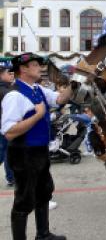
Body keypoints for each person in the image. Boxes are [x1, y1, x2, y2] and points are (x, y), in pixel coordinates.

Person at [1, 52, 72, 240]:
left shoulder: (37, 89)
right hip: (23, 153)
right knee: (23, 200)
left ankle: (43, 235)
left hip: (40, 150)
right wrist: (38, 115)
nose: (40, 68)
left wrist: (77, 81)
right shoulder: (14, 95)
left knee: (44, 192)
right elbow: (9, 132)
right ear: (23, 69)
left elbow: (60, 99)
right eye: (35, 65)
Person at [0, 59, 15, 186]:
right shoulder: (5, 90)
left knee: (4, 151)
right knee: (8, 152)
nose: (12, 75)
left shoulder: (7, 88)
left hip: (4, 126)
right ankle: (11, 178)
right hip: (6, 127)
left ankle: (11, 177)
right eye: (9, 73)